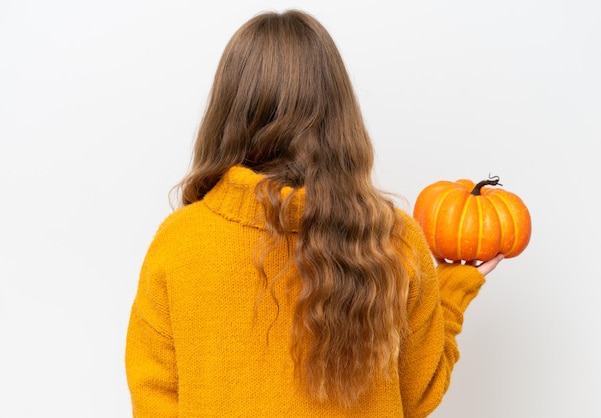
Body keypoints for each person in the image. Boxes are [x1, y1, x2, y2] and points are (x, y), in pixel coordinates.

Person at [125, 9, 503, 417]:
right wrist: (448, 295)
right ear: (339, 115)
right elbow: (415, 397)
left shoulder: (179, 242)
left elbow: (154, 401)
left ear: (227, 112)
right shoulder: (393, 241)